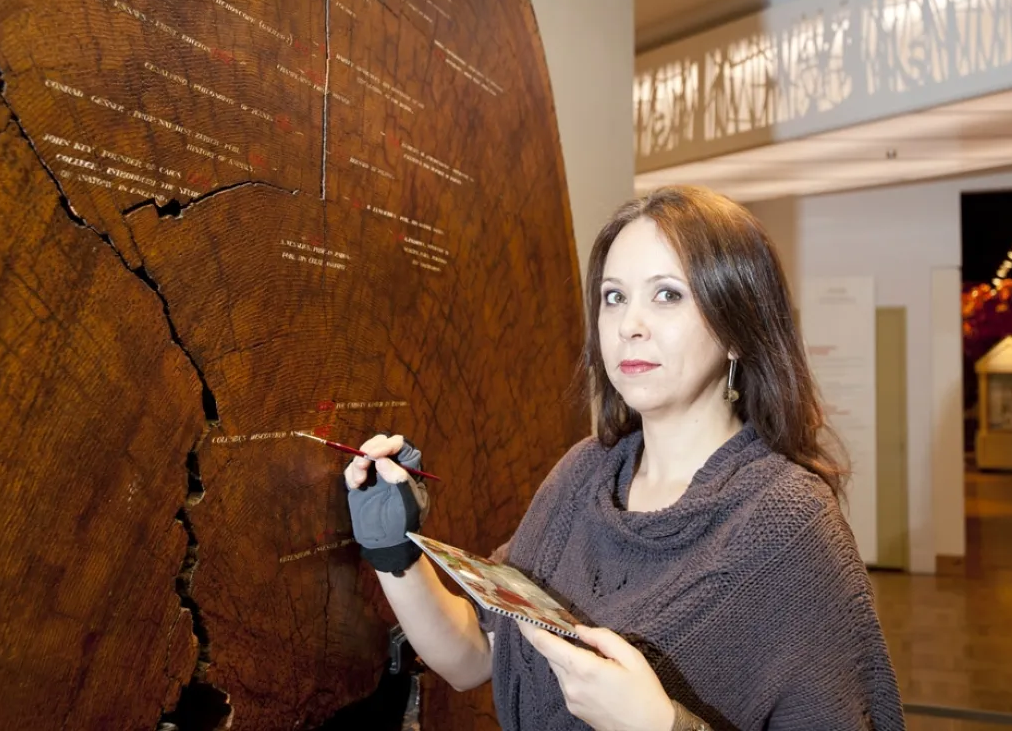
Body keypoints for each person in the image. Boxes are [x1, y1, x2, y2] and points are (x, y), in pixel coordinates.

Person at [343, 185, 905, 730]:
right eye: (614, 297)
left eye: (667, 294)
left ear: (736, 328)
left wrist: (659, 724)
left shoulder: (788, 523)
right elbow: (473, 656)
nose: (629, 326)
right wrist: (395, 553)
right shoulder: (583, 474)